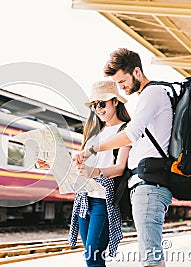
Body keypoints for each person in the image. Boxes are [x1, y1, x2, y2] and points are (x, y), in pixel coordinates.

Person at [74, 48, 173, 267]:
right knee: (97, 257)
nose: (122, 87)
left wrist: (92, 151)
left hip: (130, 190)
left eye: (122, 81)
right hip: (91, 196)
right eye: (94, 105)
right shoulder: (95, 132)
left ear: (136, 71)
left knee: (147, 256)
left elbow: (130, 136)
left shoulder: (152, 94)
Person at [68, 80, 131, 267]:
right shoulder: (94, 132)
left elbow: (120, 167)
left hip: (103, 201)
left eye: (102, 104)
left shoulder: (125, 130)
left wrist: (94, 172)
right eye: (95, 105)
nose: (98, 109)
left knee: (93, 256)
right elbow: (82, 167)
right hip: (84, 199)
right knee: (91, 256)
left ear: (115, 101)